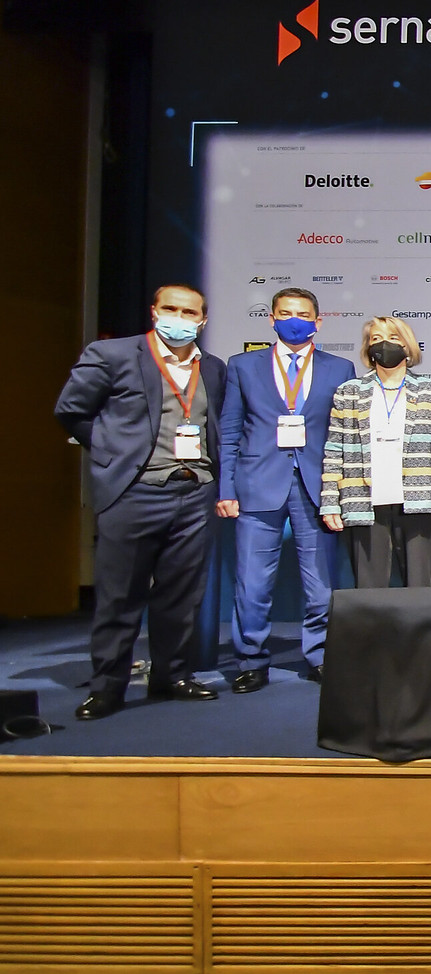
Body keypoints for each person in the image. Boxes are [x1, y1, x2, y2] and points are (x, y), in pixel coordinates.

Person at [54, 285, 228, 718]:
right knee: (120, 596)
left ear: (202, 320)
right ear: (154, 311)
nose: (179, 318)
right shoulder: (112, 355)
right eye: (170, 309)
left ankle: (172, 676)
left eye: (189, 312)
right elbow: (71, 410)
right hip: (134, 492)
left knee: (182, 596)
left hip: (195, 491)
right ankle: (107, 687)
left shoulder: (213, 368)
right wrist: (112, 452)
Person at [216, 287, 351, 690]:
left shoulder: (340, 368)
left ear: (318, 322)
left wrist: (343, 491)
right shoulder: (243, 365)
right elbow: (229, 432)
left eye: (304, 314)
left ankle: (320, 655)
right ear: (272, 319)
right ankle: (251, 659)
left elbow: (347, 435)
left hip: (317, 487)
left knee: (320, 585)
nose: (295, 320)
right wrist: (226, 489)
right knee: (252, 583)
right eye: (286, 313)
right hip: (257, 484)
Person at [318, 317, 431, 587]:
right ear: (367, 348)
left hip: (420, 498)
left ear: (407, 345)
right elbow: (334, 451)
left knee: (420, 587)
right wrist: (330, 502)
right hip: (363, 500)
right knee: (369, 588)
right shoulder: (349, 392)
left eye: (393, 338)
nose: (384, 344)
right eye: (376, 338)